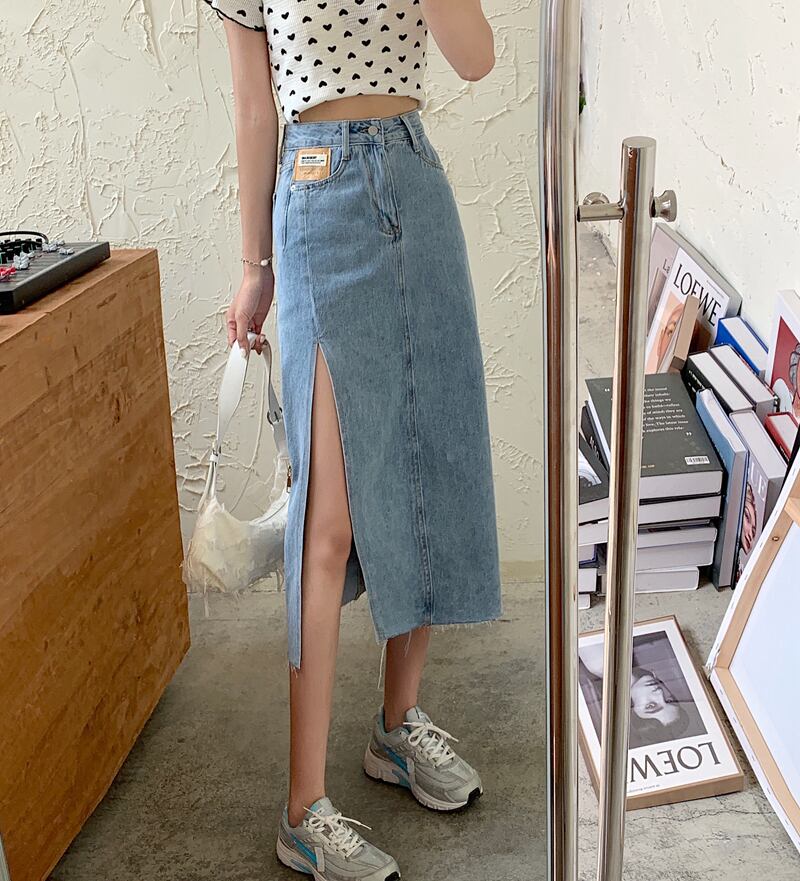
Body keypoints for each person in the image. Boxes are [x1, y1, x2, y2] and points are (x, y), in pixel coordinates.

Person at [201, 1, 502, 878]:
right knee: (328, 521)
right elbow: (254, 107)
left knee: (429, 464)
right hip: (318, 195)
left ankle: (397, 726)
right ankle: (303, 809)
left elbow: (476, 57)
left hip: (414, 178)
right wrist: (253, 269)